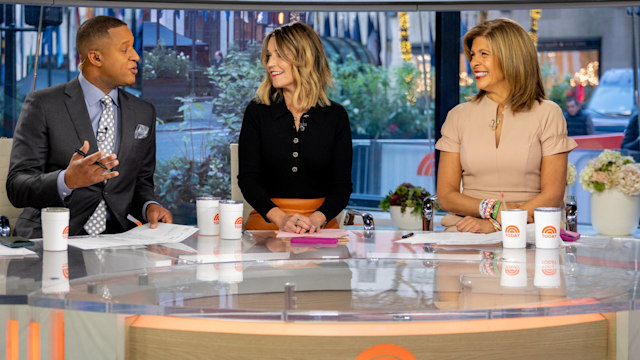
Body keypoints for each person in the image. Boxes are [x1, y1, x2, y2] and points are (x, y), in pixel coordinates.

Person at [7, 16, 172, 238]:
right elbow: (17, 187)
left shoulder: (144, 112)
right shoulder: (42, 104)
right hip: (52, 237)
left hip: (117, 240)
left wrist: (149, 206)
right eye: (125, 50)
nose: (136, 56)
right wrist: (66, 180)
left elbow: (141, 182)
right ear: (96, 57)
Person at [435, 18, 577, 233]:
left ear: (511, 57)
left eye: (484, 54)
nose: (474, 63)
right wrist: (492, 208)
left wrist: (495, 223)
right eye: (473, 55)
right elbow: (446, 196)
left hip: (530, 230)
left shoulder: (548, 113)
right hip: (467, 229)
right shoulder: (458, 116)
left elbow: (552, 196)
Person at [238, 21, 352, 234]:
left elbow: (342, 187)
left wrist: (316, 220)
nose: (270, 63)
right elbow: (248, 179)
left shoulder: (336, 116)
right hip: (267, 225)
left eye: (279, 55)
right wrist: (281, 219)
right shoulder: (257, 111)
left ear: (304, 58)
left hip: (319, 227)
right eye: (269, 56)